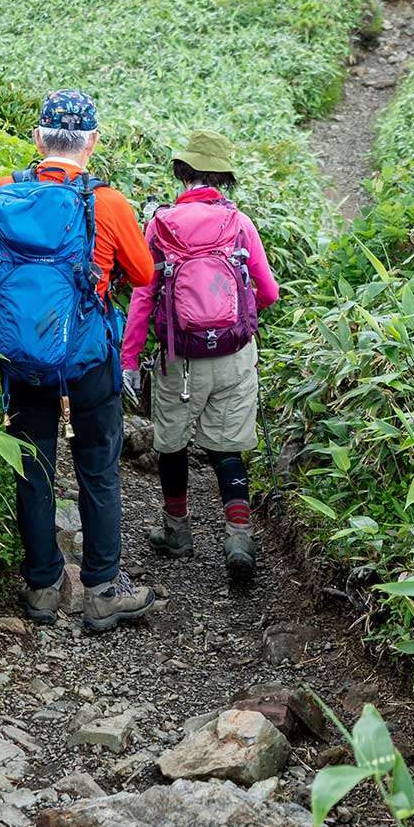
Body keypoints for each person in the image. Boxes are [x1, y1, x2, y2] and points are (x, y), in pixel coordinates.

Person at [0, 90, 156, 633]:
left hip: (20, 360)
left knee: (33, 468)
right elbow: (146, 273)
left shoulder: (2, 193)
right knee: (98, 470)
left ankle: (42, 588)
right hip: (86, 360)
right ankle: (103, 589)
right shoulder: (106, 203)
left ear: (37, 138)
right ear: (93, 142)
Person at [121, 131, 280, 585]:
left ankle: (177, 531)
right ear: (222, 178)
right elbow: (267, 292)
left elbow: (143, 297)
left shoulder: (162, 225)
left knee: (171, 444)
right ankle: (238, 537)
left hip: (179, 359)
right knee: (227, 448)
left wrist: (130, 359)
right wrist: (229, 315)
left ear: (182, 172)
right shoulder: (239, 223)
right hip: (233, 355)